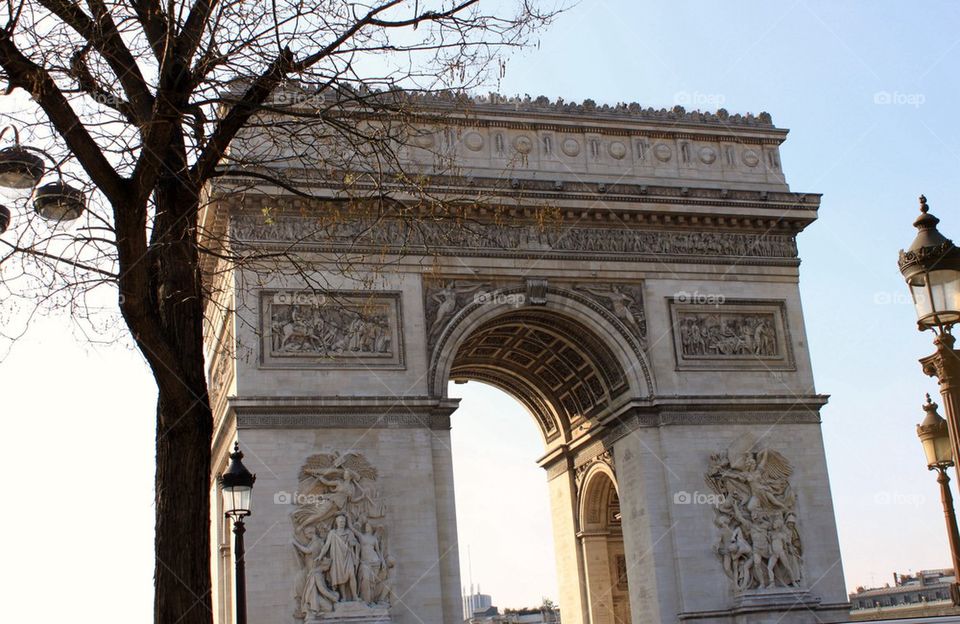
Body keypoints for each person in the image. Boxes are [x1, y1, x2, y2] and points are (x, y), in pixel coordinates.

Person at [318, 514, 360, 602]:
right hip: (337, 558)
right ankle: (344, 597)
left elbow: (355, 543)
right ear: (337, 522)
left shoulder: (349, 532)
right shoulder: (332, 533)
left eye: (344, 522)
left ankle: (355, 596)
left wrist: (352, 543)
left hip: (348, 556)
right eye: (340, 521)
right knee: (340, 577)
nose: (342, 523)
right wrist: (320, 555)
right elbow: (326, 546)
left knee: (352, 575)